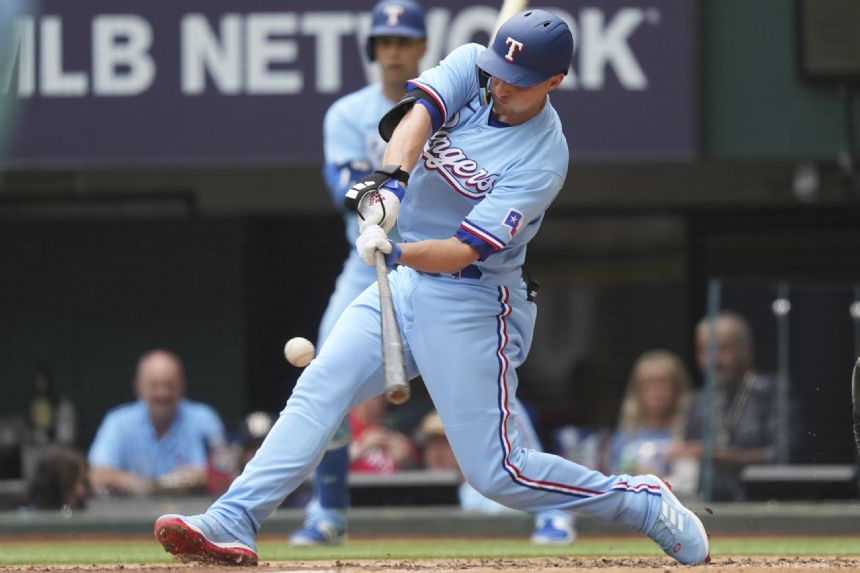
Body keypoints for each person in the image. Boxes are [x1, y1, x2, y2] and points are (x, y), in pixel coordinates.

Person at [153, 10, 710, 566]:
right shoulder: (473, 65)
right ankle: (235, 517)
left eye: (517, 83)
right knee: (321, 384)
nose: (499, 87)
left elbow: (465, 250)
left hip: (475, 302)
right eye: (497, 73)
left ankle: (640, 502)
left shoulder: (544, 158)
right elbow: (418, 116)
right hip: (406, 285)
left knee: (499, 474)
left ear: (554, 82)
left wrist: (396, 248)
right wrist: (390, 185)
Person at [287, 0, 428, 546]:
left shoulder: (444, 105)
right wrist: (383, 200)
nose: (392, 52)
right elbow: (343, 187)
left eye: (402, 42)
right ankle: (329, 512)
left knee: (484, 378)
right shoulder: (347, 114)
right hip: (365, 261)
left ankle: (550, 513)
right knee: (321, 380)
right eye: (384, 43)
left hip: (427, 259)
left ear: (420, 47)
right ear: (374, 50)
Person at [417, 409, 576, 545]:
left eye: (444, 442)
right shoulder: (428, 489)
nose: (435, 452)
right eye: (431, 444)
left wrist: (552, 517)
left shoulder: (492, 485)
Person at [669, 311, 778, 501]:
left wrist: (720, 455)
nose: (713, 360)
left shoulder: (770, 393)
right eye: (704, 351)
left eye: (722, 349)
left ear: (747, 350)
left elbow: (781, 455)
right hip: (708, 506)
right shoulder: (699, 400)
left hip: (760, 505)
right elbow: (687, 454)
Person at [88, 349, 226, 495]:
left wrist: (171, 482)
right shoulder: (118, 422)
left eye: (169, 385)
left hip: (191, 513)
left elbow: (223, 473)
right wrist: (141, 484)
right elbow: (97, 474)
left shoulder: (204, 418)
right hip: (133, 513)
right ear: (138, 387)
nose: (162, 393)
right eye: (154, 385)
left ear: (182, 386)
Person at [608, 350, 692, 477]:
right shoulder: (625, 435)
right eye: (648, 385)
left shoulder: (688, 432)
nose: (656, 392)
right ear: (636, 391)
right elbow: (614, 476)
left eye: (664, 384)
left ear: (677, 390)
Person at [26, 446, 88, 510]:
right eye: (74, 483)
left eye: (82, 482)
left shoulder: (80, 513)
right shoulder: (27, 517)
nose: (81, 491)